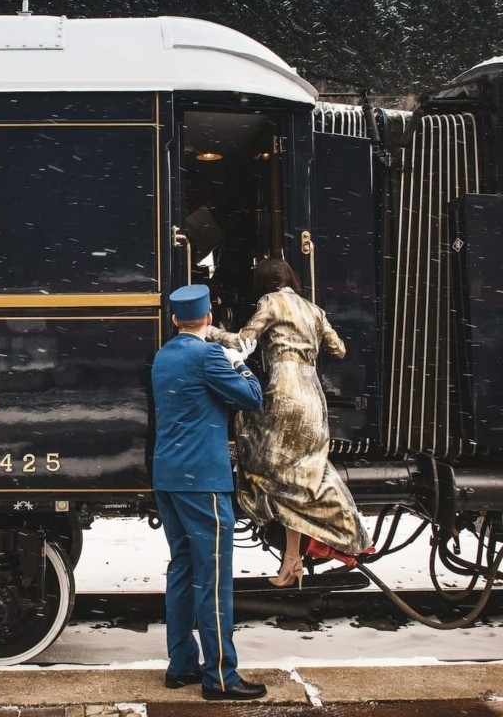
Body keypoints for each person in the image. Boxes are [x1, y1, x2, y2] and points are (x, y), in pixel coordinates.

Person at [208, 258, 372, 588]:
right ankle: (293, 560)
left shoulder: (271, 302)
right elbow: (338, 349)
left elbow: (244, 342)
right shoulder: (313, 309)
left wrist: (210, 332)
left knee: (267, 469)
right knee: (298, 476)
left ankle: (338, 535)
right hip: (313, 397)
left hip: (283, 393)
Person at [151, 283, 267, 702]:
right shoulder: (209, 355)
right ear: (209, 320)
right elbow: (252, 398)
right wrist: (241, 363)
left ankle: (181, 664)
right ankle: (220, 676)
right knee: (214, 577)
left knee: (182, 569)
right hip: (202, 481)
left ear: (174, 320)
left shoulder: (164, 356)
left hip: (169, 478)